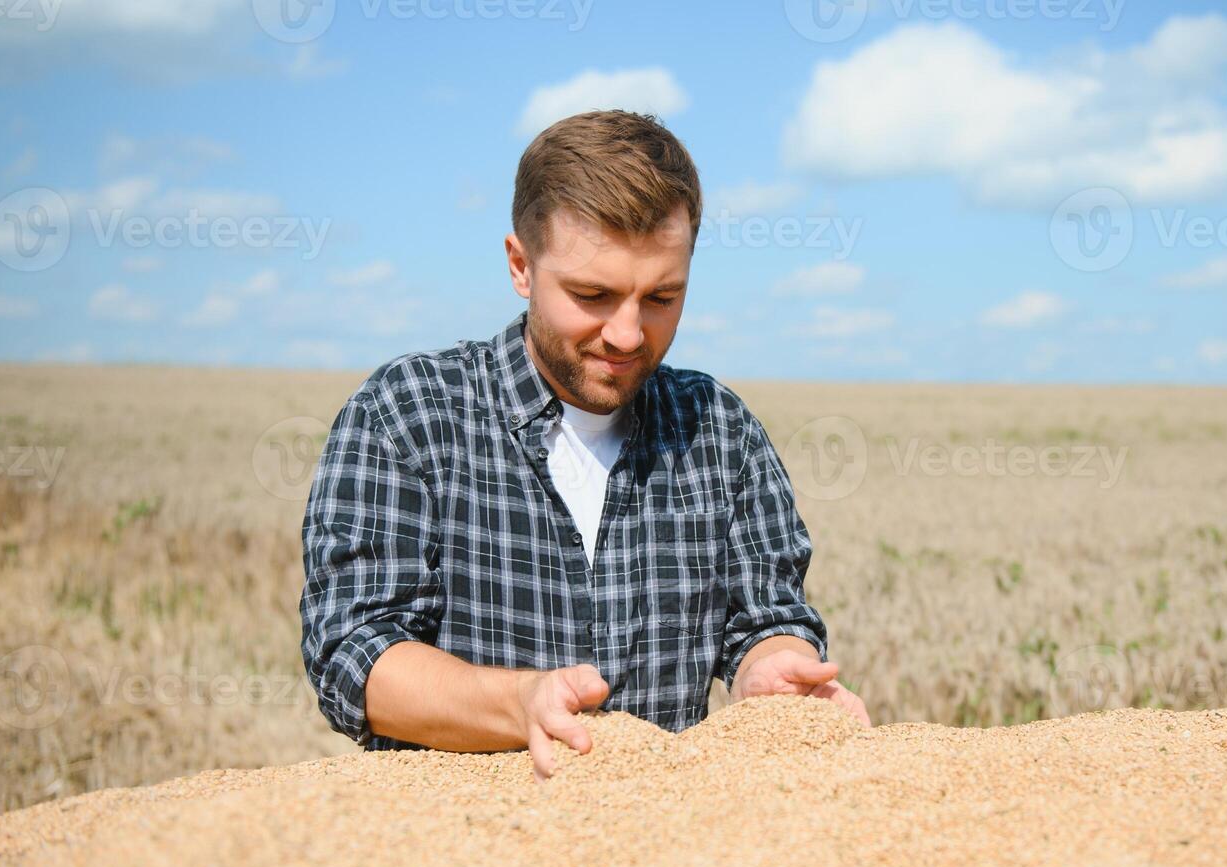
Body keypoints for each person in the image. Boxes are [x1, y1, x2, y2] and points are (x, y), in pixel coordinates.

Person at [300, 109, 869, 781]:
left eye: (660, 297)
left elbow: (765, 619)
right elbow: (354, 654)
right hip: (455, 853)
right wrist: (518, 703)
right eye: (592, 295)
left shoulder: (718, 430)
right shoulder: (408, 413)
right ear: (520, 265)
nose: (627, 334)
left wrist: (770, 673)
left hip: (668, 856)